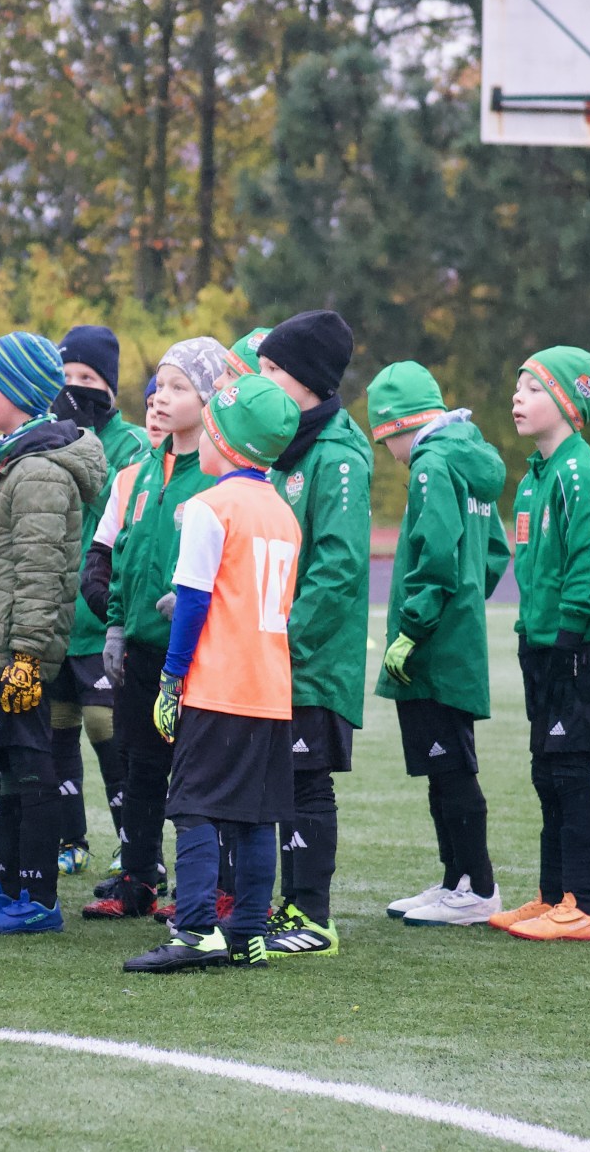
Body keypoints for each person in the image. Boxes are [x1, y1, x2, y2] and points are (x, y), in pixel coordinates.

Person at [123, 374, 304, 972]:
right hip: (270, 689)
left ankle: (196, 928)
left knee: (193, 806)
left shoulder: (209, 506)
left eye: (209, 429)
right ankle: (248, 932)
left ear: (225, 442)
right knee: (255, 815)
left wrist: (171, 678)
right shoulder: (284, 513)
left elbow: (195, 600)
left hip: (218, 684)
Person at [0, 333, 105, 934]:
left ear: (18, 391)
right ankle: (7, 887)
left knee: (32, 769)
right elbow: (24, 545)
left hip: (17, 649)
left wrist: (28, 655)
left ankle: (38, 898)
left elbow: (42, 570)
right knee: (7, 770)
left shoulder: (38, 470)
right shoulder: (18, 461)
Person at [82, 338, 231, 922]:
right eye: (158, 385)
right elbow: (117, 557)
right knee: (140, 769)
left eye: (178, 387)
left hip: (196, 655)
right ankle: (138, 877)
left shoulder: (220, 476)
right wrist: (116, 624)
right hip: (141, 652)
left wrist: (199, 604)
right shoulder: (140, 473)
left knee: (198, 776)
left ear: (210, 398)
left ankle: (210, 888)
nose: (160, 398)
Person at [493, 346, 590, 943]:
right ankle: (553, 896)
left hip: (582, 645)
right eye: (518, 386)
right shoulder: (536, 477)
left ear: (568, 403)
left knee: (572, 771)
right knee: (547, 771)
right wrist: (532, 637)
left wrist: (569, 636)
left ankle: (586, 904)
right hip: (545, 642)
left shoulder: (581, 473)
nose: (517, 397)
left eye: (533, 388)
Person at [367, 362, 512, 926]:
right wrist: (465, 603)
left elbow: (436, 555)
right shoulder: (468, 458)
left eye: (385, 440)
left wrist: (414, 627)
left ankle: (478, 886)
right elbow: (493, 553)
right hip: (458, 636)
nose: (390, 455)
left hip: (433, 643)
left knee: (450, 768)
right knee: (443, 764)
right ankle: (456, 879)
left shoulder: (432, 463)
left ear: (398, 425)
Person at [254, 310, 374, 958]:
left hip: (311, 658)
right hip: (275, 651)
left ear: (305, 378)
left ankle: (313, 916)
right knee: (282, 779)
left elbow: (338, 567)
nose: (261, 378)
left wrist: (283, 641)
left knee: (306, 780)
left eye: (271, 368)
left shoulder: (339, 455)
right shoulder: (285, 448)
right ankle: (287, 904)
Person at [49, 324, 149, 873]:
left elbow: (115, 513)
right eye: (65, 376)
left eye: (86, 377)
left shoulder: (130, 443)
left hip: (98, 607)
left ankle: (135, 844)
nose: (74, 387)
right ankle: (71, 841)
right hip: (56, 614)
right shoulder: (46, 433)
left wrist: (79, 442)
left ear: (109, 385)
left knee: (104, 725)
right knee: (58, 722)